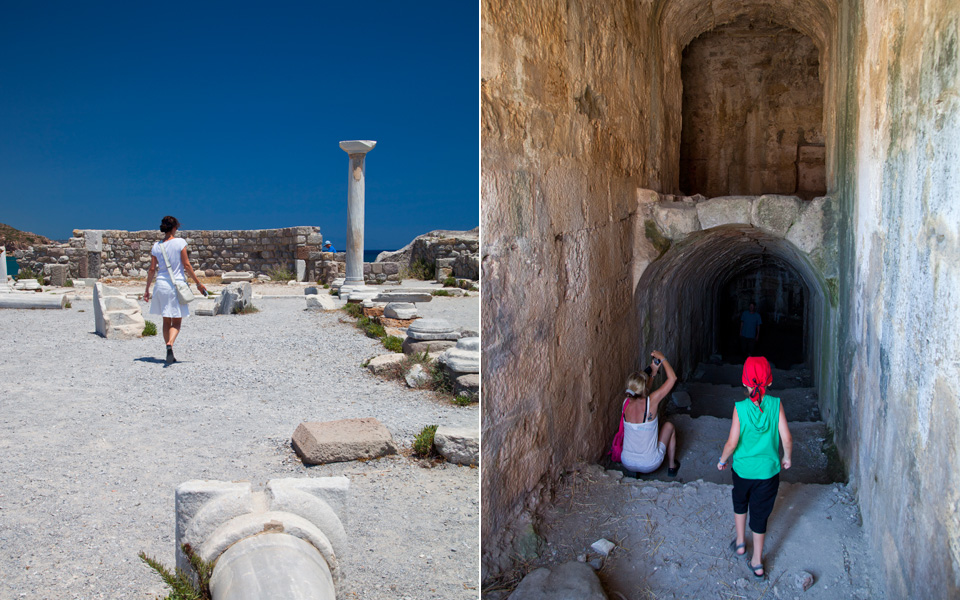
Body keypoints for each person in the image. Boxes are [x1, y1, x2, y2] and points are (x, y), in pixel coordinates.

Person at [717, 356, 793, 578]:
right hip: (768, 473)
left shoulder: (739, 408)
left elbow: (732, 442)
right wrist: (787, 457)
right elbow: (786, 438)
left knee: (740, 502)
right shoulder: (776, 405)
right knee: (760, 515)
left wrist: (723, 460)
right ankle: (757, 561)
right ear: (769, 382)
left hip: (742, 471)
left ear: (744, 382)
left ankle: (740, 542)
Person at [143, 216, 207, 365]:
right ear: (174, 228)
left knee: (166, 319)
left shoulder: (156, 246)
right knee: (177, 320)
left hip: (160, 285)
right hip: (176, 285)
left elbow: (152, 269)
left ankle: (168, 350)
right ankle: (170, 344)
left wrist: (146, 289)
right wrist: (198, 283)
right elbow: (186, 265)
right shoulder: (180, 243)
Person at [619, 351, 681, 476]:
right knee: (669, 426)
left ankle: (635, 472)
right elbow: (672, 378)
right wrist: (662, 358)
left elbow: (641, 393)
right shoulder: (651, 401)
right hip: (650, 464)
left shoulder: (625, 403)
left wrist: (652, 374)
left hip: (627, 462)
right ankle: (672, 467)